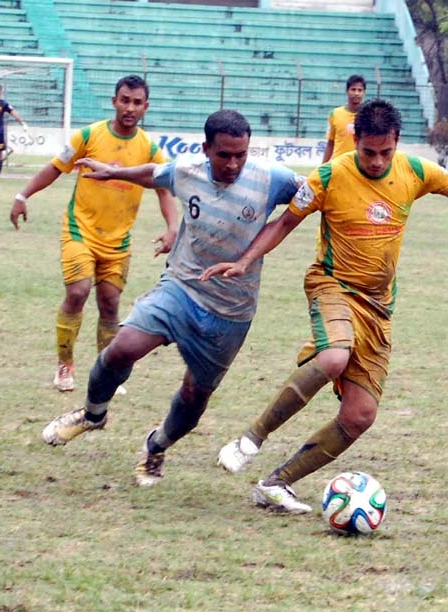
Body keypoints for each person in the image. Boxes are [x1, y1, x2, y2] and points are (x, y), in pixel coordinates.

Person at [202, 99, 448, 514]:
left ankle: (276, 484)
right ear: (354, 140)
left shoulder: (414, 171)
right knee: (333, 358)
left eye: (386, 152)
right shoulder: (328, 177)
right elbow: (285, 222)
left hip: (378, 307)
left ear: (397, 143)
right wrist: (245, 260)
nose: (377, 161)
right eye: (368, 152)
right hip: (333, 286)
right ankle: (252, 437)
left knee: (360, 416)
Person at [39, 109, 304, 488]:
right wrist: (114, 172)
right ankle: (93, 415)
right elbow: (153, 174)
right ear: (206, 149)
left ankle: (156, 445)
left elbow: (316, 192)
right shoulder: (187, 169)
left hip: (231, 310)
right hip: (181, 287)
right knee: (120, 349)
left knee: (195, 396)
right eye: (224, 155)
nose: (233, 164)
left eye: (240, 155)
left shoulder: (270, 178)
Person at [10, 75, 178, 393]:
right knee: (77, 292)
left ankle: (106, 373)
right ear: (114, 101)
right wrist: (23, 196)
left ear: (146, 107)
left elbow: (165, 190)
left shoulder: (149, 148)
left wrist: (172, 228)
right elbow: (54, 168)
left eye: (137, 102)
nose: (130, 107)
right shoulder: (88, 135)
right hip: (80, 230)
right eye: (124, 100)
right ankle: (65, 366)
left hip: (118, 240)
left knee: (111, 303)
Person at [320, 74, 366, 163]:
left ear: (364, 92)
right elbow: (330, 143)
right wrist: (323, 165)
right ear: (347, 91)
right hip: (339, 164)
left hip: (360, 165)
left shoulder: (368, 115)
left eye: (360, 90)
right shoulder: (335, 114)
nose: (356, 93)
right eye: (353, 89)